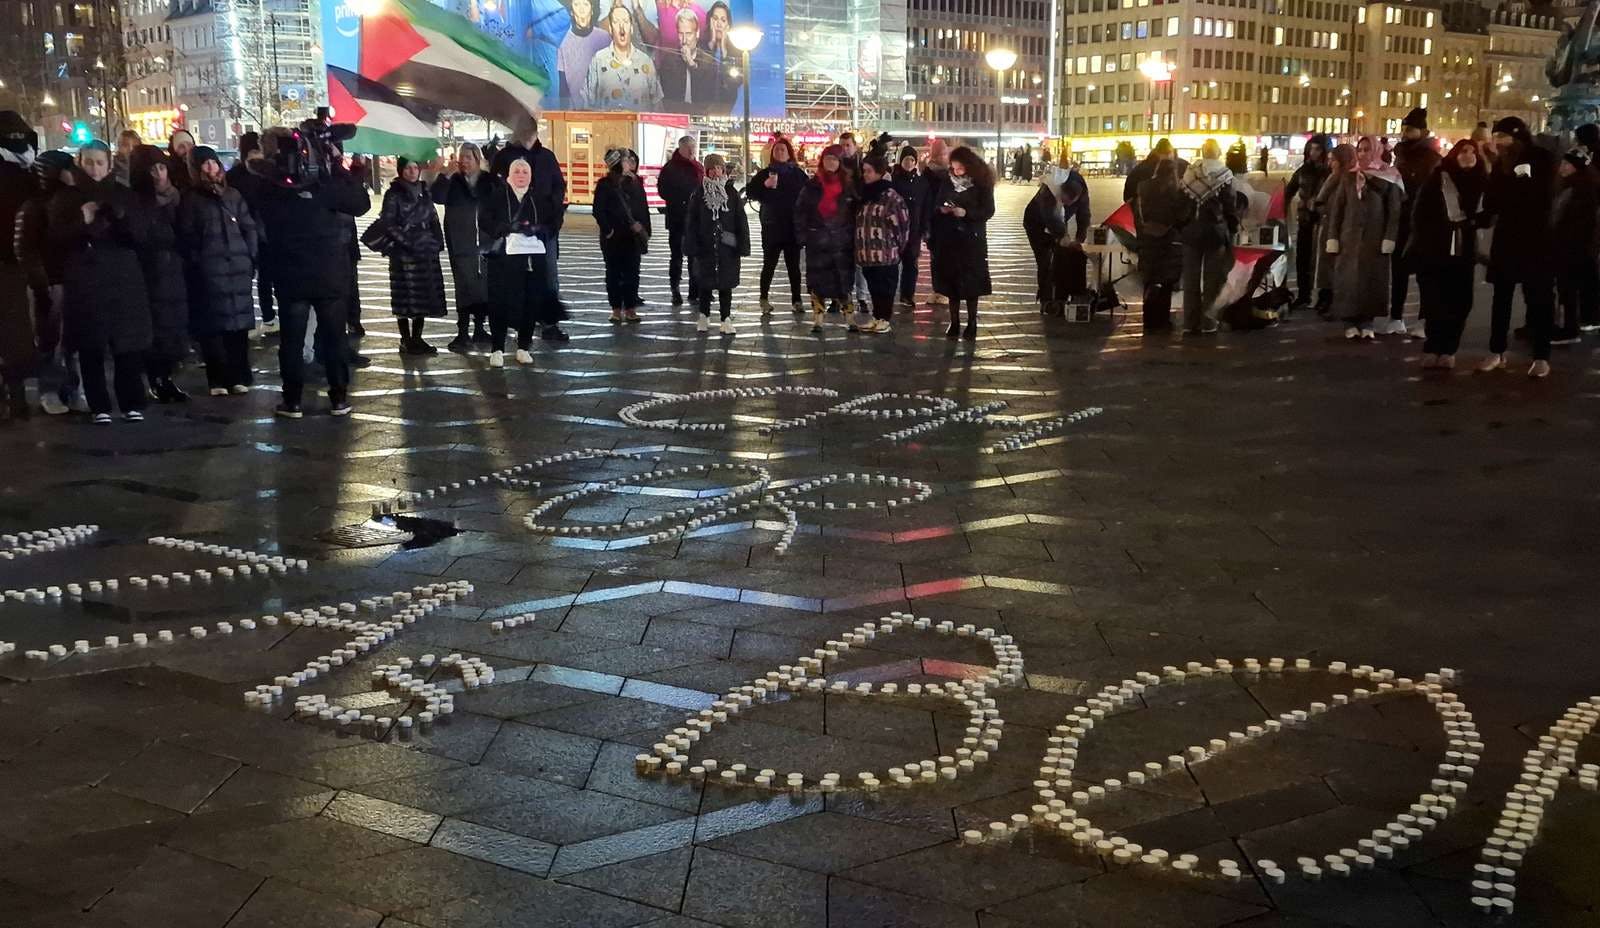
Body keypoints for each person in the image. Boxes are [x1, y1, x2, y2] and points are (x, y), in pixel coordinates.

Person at [252, 125, 371, 418]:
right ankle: (338, 397)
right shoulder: (323, 184)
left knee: (292, 340)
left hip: (290, 273)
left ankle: (292, 400)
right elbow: (360, 202)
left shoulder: (270, 187)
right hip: (328, 273)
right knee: (334, 337)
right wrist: (339, 167)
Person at [50, 140, 152, 423]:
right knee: (91, 345)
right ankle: (99, 405)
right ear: (79, 163)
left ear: (108, 164)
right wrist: (82, 221)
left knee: (127, 344)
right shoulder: (66, 198)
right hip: (85, 280)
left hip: (123, 279)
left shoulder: (123, 195)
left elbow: (141, 236)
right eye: (88, 162)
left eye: (99, 162)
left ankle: (132, 402)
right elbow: (57, 239)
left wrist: (120, 218)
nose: (94, 168)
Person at [1479, 116, 1557, 377]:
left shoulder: (1541, 158)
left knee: (1538, 299)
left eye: (1502, 136)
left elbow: (1542, 196)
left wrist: (1518, 183)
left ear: (1517, 136)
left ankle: (1541, 356)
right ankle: (1496, 352)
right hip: (1507, 239)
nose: (1497, 141)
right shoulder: (1500, 163)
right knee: (1501, 297)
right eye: (1496, 136)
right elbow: (1493, 200)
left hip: (1536, 239)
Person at [179, 144, 258, 396]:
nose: (211, 167)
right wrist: (198, 261)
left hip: (237, 268)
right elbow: (187, 235)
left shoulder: (232, 195)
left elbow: (249, 226)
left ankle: (239, 375)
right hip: (210, 271)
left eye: (213, 162)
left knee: (238, 327)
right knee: (213, 327)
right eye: (205, 163)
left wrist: (248, 256)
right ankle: (218, 379)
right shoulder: (191, 199)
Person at [1406, 139, 1487, 370]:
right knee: (1434, 299)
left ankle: (1449, 348)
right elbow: (1420, 212)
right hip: (1435, 249)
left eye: (1473, 152)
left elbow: (1488, 213)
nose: (1468, 155)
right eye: (1463, 151)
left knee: (1460, 301)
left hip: (1464, 251)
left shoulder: (1482, 181)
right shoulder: (1439, 177)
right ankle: (1433, 345)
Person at [481, 153, 565, 366]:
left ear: (531, 175)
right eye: (516, 171)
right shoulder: (497, 196)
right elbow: (484, 220)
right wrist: (505, 229)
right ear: (509, 175)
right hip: (503, 260)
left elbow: (554, 222)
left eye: (525, 172)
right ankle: (497, 348)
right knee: (500, 302)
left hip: (531, 261)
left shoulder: (539, 199)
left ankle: (524, 346)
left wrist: (537, 229)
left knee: (530, 302)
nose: (521, 175)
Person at [1323, 136, 1403, 340]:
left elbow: (1394, 210)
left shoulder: (1389, 176)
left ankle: (1368, 320)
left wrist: (1389, 237)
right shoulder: (1349, 176)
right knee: (1347, 279)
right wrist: (1333, 236)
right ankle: (1349, 320)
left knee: (1371, 279)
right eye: (1360, 149)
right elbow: (1338, 209)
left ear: (1376, 151)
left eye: (1367, 149)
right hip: (1348, 236)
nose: (1363, 154)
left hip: (1374, 238)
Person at [17, 149, 79, 415]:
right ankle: (49, 391)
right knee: (49, 341)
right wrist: (40, 284)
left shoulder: (70, 201)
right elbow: (26, 249)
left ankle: (72, 389)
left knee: (72, 341)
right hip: (49, 283)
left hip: (70, 279)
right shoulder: (34, 207)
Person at [128, 145, 190, 403]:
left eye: (162, 167)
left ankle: (165, 376)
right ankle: (155, 378)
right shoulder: (137, 203)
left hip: (174, 272)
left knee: (172, 327)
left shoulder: (176, 198)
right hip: (149, 274)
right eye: (152, 169)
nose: (158, 174)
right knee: (154, 329)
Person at [380, 157, 447, 355]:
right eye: (407, 168)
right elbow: (388, 223)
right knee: (403, 298)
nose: (412, 171)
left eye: (415, 167)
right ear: (401, 171)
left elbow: (433, 218)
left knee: (423, 296)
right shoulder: (393, 194)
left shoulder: (424, 192)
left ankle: (417, 338)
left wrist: (437, 241)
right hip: (403, 253)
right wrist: (408, 242)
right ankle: (405, 339)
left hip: (425, 249)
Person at [432, 143, 496, 352]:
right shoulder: (454, 181)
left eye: (469, 157)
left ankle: (479, 329)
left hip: (485, 242)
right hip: (460, 242)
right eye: (462, 157)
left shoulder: (488, 181)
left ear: (478, 159)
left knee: (482, 287)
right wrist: (446, 175)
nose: (464, 161)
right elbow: (437, 197)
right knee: (464, 287)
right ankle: (462, 332)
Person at [928, 145, 996, 340]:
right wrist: (944, 209)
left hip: (972, 239)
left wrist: (967, 213)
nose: (956, 171)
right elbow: (939, 201)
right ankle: (954, 321)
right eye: (953, 167)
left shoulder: (982, 183)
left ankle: (972, 322)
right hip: (950, 238)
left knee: (971, 282)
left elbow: (988, 211)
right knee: (952, 282)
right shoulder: (947, 181)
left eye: (959, 168)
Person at [1387, 108, 1442, 337]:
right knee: (1398, 270)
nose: (1405, 133)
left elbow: (1435, 191)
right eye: (1404, 129)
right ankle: (1396, 317)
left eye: (1410, 129)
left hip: (1423, 222)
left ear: (1423, 131)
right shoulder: (1400, 154)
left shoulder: (1432, 158)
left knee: (1423, 273)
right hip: (1401, 218)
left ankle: (1423, 320)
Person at [683, 152, 749, 334]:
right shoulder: (699, 193)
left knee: (726, 284)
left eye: (719, 168)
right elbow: (692, 220)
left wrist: (742, 244)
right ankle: (703, 316)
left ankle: (725, 318)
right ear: (706, 171)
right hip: (705, 246)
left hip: (727, 246)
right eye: (711, 169)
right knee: (705, 283)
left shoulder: (731, 194)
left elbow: (740, 220)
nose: (716, 172)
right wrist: (692, 244)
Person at [1177, 139, 1238, 336]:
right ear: (1218, 153)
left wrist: (1182, 225)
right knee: (1213, 279)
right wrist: (1233, 228)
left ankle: (1189, 322)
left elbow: (1182, 203)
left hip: (1191, 232)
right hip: (1215, 232)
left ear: (1203, 152)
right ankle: (1209, 322)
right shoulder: (1224, 174)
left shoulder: (1190, 173)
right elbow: (1229, 205)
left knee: (1191, 279)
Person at [794, 144, 857, 334]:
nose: (831, 163)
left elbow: (854, 213)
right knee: (817, 283)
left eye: (835, 159)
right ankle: (818, 320)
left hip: (841, 242)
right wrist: (803, 235)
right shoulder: (812, 185)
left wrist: (850, 235)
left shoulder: (848, 186)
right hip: (817, 241)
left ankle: (850, 318)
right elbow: (800, 211)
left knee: (843, 282)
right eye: (828, 159)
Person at [0, 112, 39, 420]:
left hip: (20, 261)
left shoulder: (31, 171)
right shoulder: (30, 171)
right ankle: (15, 396)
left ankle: (16, 395)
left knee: (17, 331)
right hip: (13, 261)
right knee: (15, 330)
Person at [745, 135, 806, 315]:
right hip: (772, 225)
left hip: (792, 226)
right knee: (769, 264)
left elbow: (808, 193)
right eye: (776, 150)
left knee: (793, 266)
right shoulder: (766, 172)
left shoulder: (797, 173)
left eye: (783, 150)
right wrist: (765, 185)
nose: (779, 152)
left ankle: (797, 299)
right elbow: (751, 192)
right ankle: (764, 298)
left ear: (789, 153)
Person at [854, 153, 910, 334]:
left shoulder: (891, 197)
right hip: (867, 254)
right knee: (874, 287)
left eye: (869, 171)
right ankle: (877, 316)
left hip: (886, 253)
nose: (866, 175)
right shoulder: (865, 195)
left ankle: (885, 318)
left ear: (879, 172)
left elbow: (902, 225)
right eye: (864, 171)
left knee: (885, 288)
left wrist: (898, 247)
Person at [593, 146, 650, 324]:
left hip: (632, 237)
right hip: (613, 238)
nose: (630, 163)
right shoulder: (605, 184)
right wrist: (608, 230)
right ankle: (616, 309)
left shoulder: (635, 182)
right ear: (618, 163)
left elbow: (643, 207)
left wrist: (644, 228)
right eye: (626, 160)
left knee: (633, 273)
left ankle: (631, 308)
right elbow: (598, 210)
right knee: (613, 273)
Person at [1023, 166, 1091, 315]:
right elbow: (1051, 219)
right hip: (1036, 223)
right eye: (1063, 201)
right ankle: (1046, 299)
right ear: (1060, 192)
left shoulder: (1081, 190)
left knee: (1064, 257)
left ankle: (1062, 295)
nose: (1066, 205)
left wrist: (1079, 239)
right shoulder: (1049, 191)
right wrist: (1062, 237)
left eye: (1069, 203)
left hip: (1058, 220)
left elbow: (1084, 216)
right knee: (1045, 260)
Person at [1134, 158, 1188, 332]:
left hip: (1148, 238)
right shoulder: (1176, 191)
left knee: (1150, 280)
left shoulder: (1143, 187)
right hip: (1169, 240)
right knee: (1165, 283)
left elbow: (1136, 212)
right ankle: (1162, 322)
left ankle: (1148, 322)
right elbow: (1181, 216)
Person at [1553, 148, 1600, 346]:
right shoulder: (1580, 187)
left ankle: (1569, 329)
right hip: (1581, 247)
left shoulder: (1579, 191)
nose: (1561, 167)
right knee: (1583, 283)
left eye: (1567, 164)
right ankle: (1586, 320)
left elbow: (1571, 221)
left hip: (1573, 246)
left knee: (1568, 287)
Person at [1284, 134, 1333, 311]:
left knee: (1324, 261)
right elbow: (1289, 190)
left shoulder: (1331, 172)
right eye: (1311, 148)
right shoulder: (1303, 170)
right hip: (1305, 220)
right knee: (1302, 259)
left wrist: (1319, 204)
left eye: (1318, 148)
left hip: (1324, 221)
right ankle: (1304, 295)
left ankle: (1325, 297)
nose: (1314, 152)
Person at [586, 5, 664, 111]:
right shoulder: (598, 61)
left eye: (626, 21)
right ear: (610, 28)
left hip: (639, 126)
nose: (621, 26)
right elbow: (587, 104)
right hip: (608, 126)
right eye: (616, 22)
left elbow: (657, 106)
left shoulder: (646, 62)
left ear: (631, 29)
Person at [658, 135, 703, 305]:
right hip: (678, 218)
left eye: (693, 147)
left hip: (695, 219)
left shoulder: (698, 166)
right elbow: (663, 190)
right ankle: (675, 289)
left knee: (695, 255)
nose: (692, 150)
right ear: (681, 148)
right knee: (677, 255)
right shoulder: (670, 168)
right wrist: (682, 199)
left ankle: (695, 289)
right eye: (688, 147)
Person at [889, 145, 931, 308]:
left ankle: (908, 295)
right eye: (906, 159)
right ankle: (890, 294)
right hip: (895, 229)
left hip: (914, 229)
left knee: (911, 263)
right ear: (901, 161)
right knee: (892, 264)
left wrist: (925, 227)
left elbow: (927, 205)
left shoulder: (922, 183)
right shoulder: (894, 180)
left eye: (912, 159)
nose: (909, 162)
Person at [658, 7, 719, 112]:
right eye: (681, 34)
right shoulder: (668, 61)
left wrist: (692, 64)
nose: (685, 40)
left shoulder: (709, 61)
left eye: (689, 34)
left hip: (702, 116)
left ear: (697, 33)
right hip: (676, 117)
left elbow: (707, 95)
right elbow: (669, 97)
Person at [558, 0, 611, 107]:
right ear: (571, 12)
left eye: (586, 4)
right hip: (574, 110)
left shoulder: (605, 38)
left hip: (603, 108)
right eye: (577, 5)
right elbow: (562, 84)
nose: (581, 10)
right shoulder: (562, 40)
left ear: (592, 10)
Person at [923, 139, 951, 306]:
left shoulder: (950, 174)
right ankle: (938, 289)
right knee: (936, 257)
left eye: (945, 153)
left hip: (947, 221)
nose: (943, 157)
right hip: (934, 221)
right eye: (941, 153)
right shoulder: (930, 174)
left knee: (945, 257)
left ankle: (944, 290)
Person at [698, 1, 739, 110]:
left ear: (728, 25)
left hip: (726, 107)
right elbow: (698, 77)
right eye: (715, 19)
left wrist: (724, 51)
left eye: (723, 20)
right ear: (710, 22)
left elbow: (735, 82)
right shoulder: (701, 46)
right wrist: (711, 43)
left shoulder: (736, 51)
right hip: (701, 107)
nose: (719, 24)